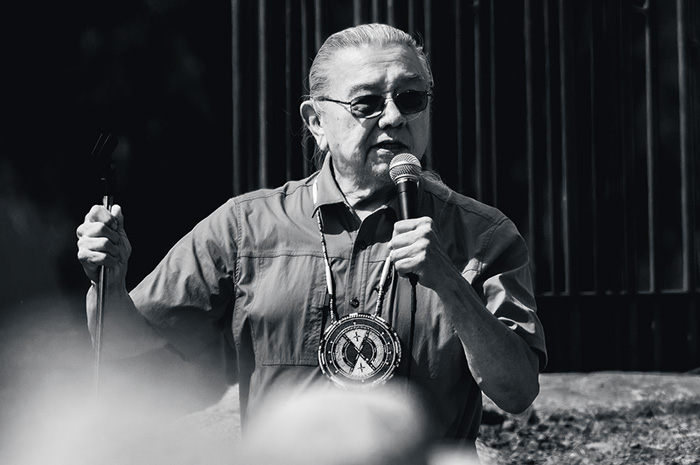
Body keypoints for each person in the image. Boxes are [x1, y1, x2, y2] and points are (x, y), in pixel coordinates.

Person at [77, 23, 546, 453]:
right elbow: (124, 342)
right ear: (316, 122)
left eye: (411, 98)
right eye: (366, 103)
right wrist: (110, 284)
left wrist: (450, 284)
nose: (393, 117)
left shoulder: (483, 236)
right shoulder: (246, 227)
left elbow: (517, 390)